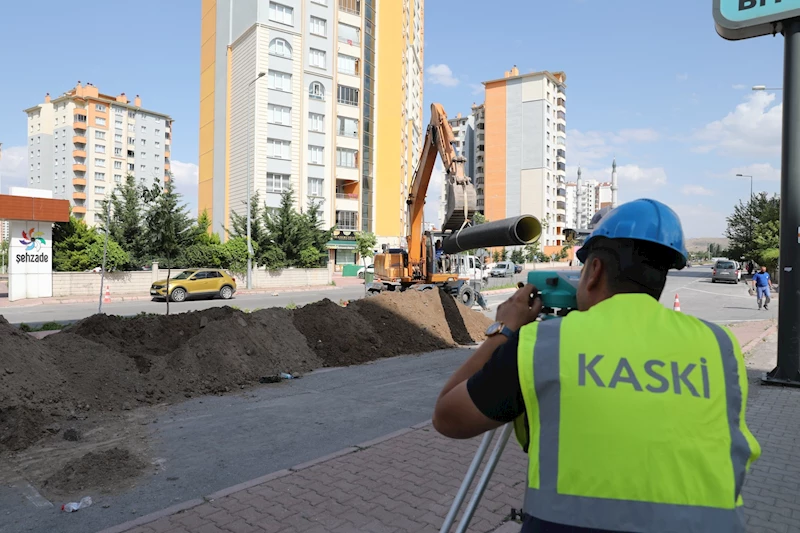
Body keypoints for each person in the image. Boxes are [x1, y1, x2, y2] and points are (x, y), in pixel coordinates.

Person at [432, 198, 761, 533]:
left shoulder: (545, 345)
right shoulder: (720, 347)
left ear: (594, 271)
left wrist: (503, 331)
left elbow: (448, 417)